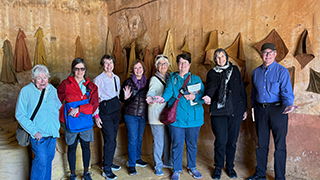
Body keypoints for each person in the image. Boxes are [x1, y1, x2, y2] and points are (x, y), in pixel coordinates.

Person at [247, 43, 299, 180]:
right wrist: (253, 109)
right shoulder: (256, 72)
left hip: (278, 111)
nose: (268, 55)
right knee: (261, 144)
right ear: (261, 55)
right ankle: (260, 174)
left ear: (275, 54)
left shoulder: (282, 71)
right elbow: (253, 93)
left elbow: (287, 93)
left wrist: (289, 105)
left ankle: (280, 177)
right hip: (260, 111)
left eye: (271, 52)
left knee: (280, 145)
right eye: (265, 52)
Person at [154, 53, 205, 180]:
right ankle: (176, 169)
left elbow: (204, 97)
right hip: (177, 119)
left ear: (190, 65)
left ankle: (192, 167)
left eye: (185, 63)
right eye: (181, 63)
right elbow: (168, 92)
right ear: (177, 64)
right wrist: (163, 98)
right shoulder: (173, 78)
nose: (183, 65)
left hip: (194, 118)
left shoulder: (196, 79)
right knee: (177, 144)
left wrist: (195, 97)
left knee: (192, 144)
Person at [202, 49, 247, 179]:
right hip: (218, 111)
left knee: (232, 141)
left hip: (235, 111)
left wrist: (244, 109)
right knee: (221, 141)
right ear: (215, 60)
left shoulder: (235, 70)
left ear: (226, 57)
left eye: (222, 56)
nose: (220, 59)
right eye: (217, 57)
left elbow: (241, 90)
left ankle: (230, 167)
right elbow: (212, 86)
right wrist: (209, 96)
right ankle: (218, 167)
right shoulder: (212, 73)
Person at [15, 65, 61, 180]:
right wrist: (34, 131)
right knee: (41, 160)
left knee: (49, 159)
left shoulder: (52, 90)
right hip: (38, 134)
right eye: (39, 78)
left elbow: (57, 108)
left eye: (45, 77)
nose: (42, 81)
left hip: (52, 133)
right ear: (33, 79)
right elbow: (20, 114)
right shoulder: (26, 91)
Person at [57, 58, 99, 180]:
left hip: (85, 121)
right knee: (72, 147)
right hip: (71, 122)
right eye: (77, 69)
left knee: (86, 146)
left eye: (82, 69)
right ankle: (73, 174)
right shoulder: (65, 85)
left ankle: (86, 172)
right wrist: (63, 117)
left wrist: (79, 109)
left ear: (85, 70)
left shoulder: (91, 86)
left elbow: (94, 104)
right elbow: (57, 102)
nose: (80, 71)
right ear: (73, 70)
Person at [93, 55, 121, 180]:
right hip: (105, 112)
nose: (109, 66)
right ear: (102, 65)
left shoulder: (116, 78)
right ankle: (106, 169)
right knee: (109, 140)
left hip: (115, 111)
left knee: (113, 138)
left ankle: (108, 161)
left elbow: (117, 94)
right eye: (106, 63)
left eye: (111, 63)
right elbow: (95, 100)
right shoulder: (98, 80)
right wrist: (97, 116)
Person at [120, 59, 149, 175]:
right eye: (136, 68)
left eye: (140, 68)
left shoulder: (147, 82)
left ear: (143, 69)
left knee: (139, 138)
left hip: (142, 114)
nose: (138, 70)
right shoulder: (127, 82)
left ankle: (137, 158)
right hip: (130, 114)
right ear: (132, 70)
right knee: (132, 139)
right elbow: (121, 98)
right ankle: (132, 164)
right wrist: (125, 97)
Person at [146, 54, 172, 176]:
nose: (163, 66)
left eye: (165, 63)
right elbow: (151, 91)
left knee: (167, 140)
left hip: (167, 115)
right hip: (156, 116)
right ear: (156, 66)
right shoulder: (154, 79)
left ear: (168, 65)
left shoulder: (169, 78)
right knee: (158, 142)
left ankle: (167, 161)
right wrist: (149, 98)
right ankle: (158, 165)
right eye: (160, 64)